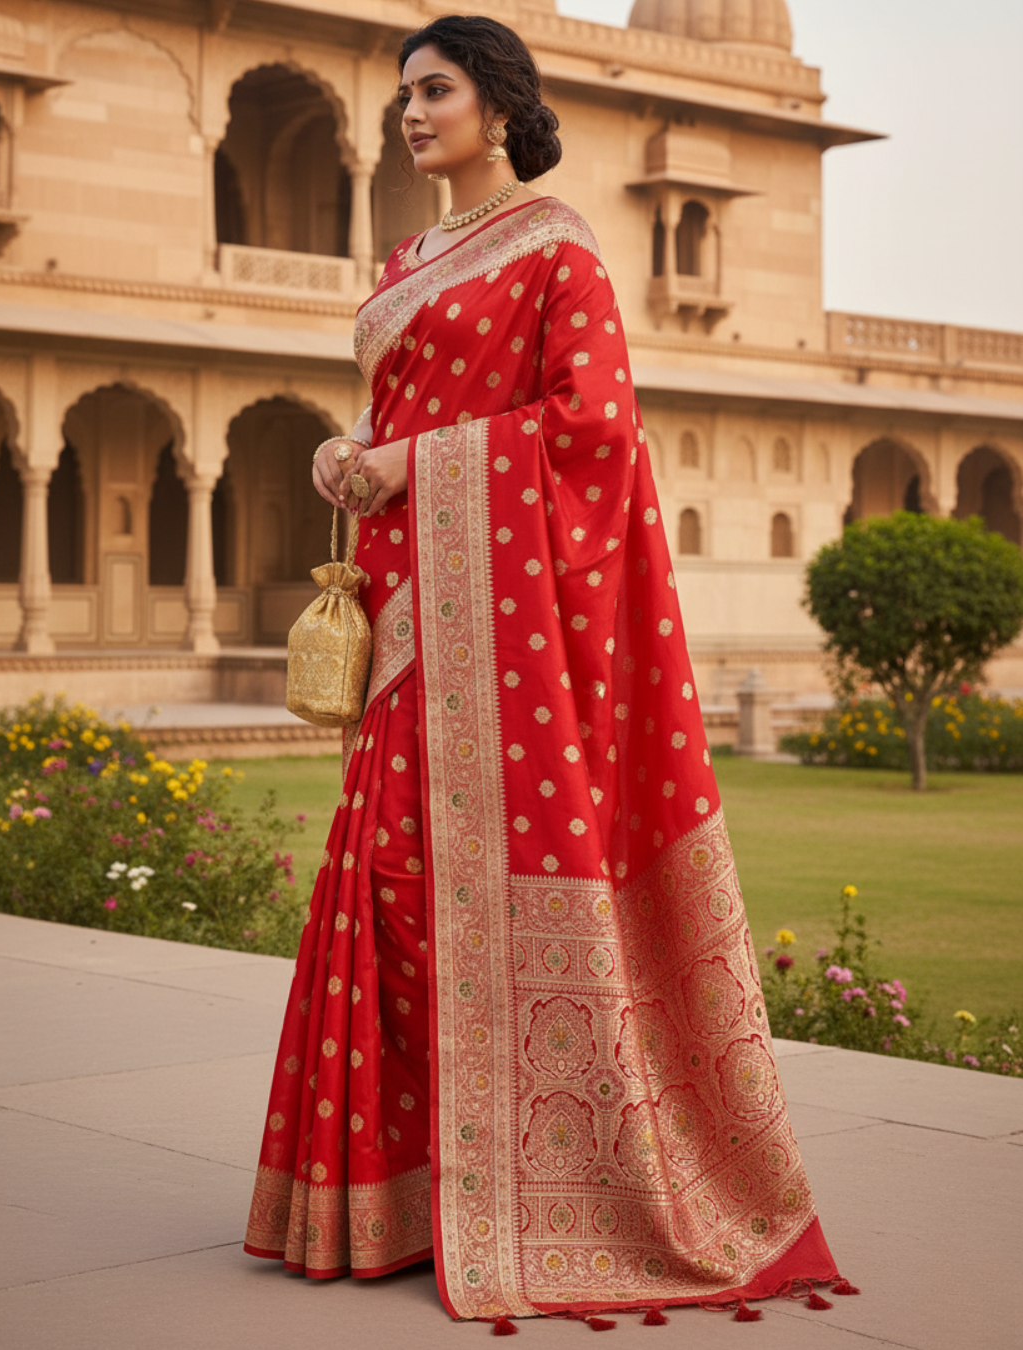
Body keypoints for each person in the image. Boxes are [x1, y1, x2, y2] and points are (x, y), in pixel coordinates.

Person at [244, 13, 848, 1329]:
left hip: (501, 638)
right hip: (410, 618)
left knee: (432, 888)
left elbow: (592, 429)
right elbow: (405, 419)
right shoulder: (407, 257)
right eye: (404, 93)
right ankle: (396, 1194)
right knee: (389, 898)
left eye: (438, 90)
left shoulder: (560, 250)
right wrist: (351, 455)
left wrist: (412, 465)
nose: (412, 113)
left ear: (503, 105)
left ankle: (538, 1194)